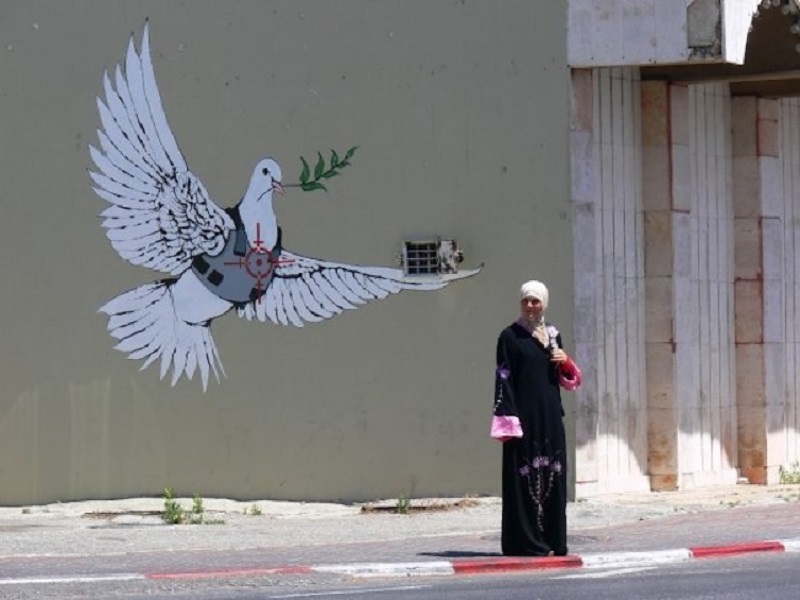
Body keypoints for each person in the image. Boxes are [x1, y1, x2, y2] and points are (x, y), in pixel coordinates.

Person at [491, 280, 581, 557]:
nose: (530, 306)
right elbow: (503, 378)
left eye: (535, 301)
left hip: (550, 416)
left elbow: (565, 378)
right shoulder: (509, 337)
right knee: (524, 478)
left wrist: (565, 360)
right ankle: (526, 542)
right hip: (524, 419)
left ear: (544, 303)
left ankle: (553, 539)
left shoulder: (553, 335)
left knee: (553, 474)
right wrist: (509, 419)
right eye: (525, 301)